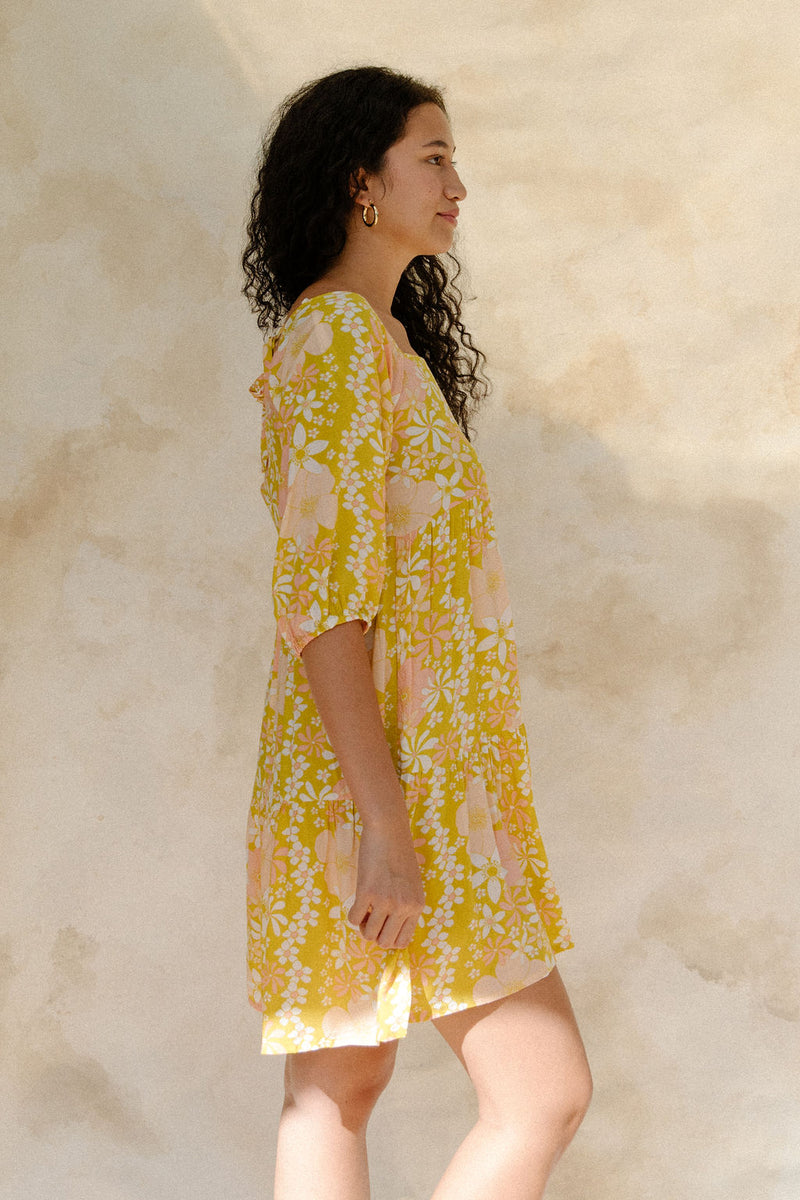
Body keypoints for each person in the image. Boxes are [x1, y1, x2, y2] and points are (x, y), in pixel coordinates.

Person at [241, 64, 592, 1200]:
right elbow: (325, 602)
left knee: (334, 1094)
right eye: (431, 158)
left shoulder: (379, 349)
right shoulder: (338, 342)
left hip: (407, 776)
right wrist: (385, 826)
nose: (457, 185)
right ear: (360, 182)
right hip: (388, 786)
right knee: (537, 1094)